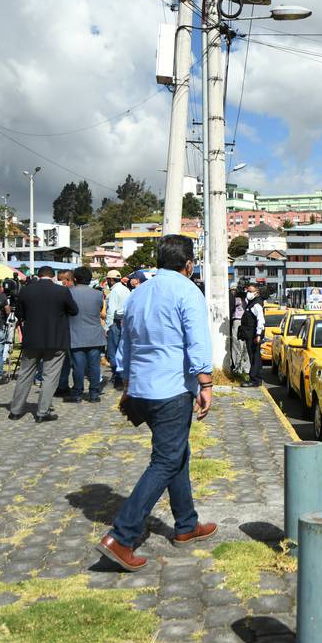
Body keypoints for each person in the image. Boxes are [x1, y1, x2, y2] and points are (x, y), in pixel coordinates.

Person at [98, 234, 216, 572]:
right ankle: (122, 536)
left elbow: (126, 343)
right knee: (165, 459)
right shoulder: (187, 291)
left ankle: (186, 524)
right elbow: (197, 340)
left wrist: (126, 382)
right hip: (172, 390)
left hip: (143, 388)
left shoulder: (137, 293)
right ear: (189, 264)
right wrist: (205, 382)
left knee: (176, 453)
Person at [7, 266, 78, 422]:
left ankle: (15, 410)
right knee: (50, 376)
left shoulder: (26, 291)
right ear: (53, 277)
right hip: (55, 339)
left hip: (32, 339)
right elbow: (74, 310)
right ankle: (42, 412)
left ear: (38, 276)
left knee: (25, 375)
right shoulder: (62, 291)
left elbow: (19, 314)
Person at [65, 266, 106, 403]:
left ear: (75, 279)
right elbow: (100, 310)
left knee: (78, 366)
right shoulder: (98, 294)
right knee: (94, 366)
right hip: (94, 334)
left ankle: (77, 393)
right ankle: (94, 393)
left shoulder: (69, 293)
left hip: (76, 334)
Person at [103, 269, 129, 390]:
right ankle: (121, 376)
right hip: (125, 322)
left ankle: (117, 377)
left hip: (115, 322)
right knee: (122, 350)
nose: (107, 282)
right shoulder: (126, 290)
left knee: (112, 352)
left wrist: (107, 327)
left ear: (112, 280)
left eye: (108, 280)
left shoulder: (114, 292)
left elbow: (110, 312)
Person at [239, 283, 265, 387]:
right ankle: (257, 378)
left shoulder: (256, 304)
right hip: (250, 334)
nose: (248, 293)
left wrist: (258, 335)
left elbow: (260, 320)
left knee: (254, 357)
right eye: (247, 291)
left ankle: (254, 380)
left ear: (256, 293)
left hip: (253, 335)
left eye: (250, 291)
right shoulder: (251, 302)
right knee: (254, 357)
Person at [229, 283, 249, 376]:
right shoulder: (244, 298)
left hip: (238, 320)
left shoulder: (239, 299)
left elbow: (231, 308)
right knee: (240, 344)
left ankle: (240, 367)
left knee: (238, 344)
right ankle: (241, 367)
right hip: (241, 321)